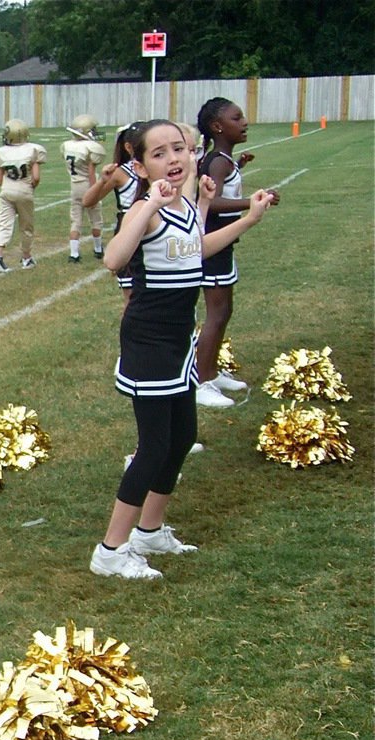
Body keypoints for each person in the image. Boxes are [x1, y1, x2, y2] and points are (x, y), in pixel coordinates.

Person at [90, 120, 274, 581]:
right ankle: (111, 550)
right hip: (148, 340)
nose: (173, 158)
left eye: (180, 149)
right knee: (153, 446)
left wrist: (247, 217)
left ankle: (150, 530)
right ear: (140, 165)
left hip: (177, 341)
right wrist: (150, 201)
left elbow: (196, 251)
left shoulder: (189, 207)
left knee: (182, 435)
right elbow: (113, 260)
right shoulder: (148, 208)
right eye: (159, 153)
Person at [194, 97, 279, 409]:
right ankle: (201, 382)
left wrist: (239, 166)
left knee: (225, 310)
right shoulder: (217, 160)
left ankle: (212, 372)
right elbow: (210, 201)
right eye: (236, 118)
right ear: (218, 126)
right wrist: (254, 202)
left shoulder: (224, 160)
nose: (244, 122)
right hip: (213, 245)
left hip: (224, 245)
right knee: (216, 313)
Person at [83, 122, 143, 297]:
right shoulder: (121, 173)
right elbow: (88, 201)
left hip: (154, 228)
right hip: (129, 228)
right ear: (129, 147)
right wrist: (102, 180)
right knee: (131, 295)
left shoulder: (157, 168)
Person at [0, 119, 46, 272]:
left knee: (4, 224)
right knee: (26, 227)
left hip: (6, 191)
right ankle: (26, 258)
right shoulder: (33, 150)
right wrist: (30, 187)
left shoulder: (0, 153)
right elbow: (37, 177)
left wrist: (9, 185)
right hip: (25, 190)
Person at [61, 114, 107, 263]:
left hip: (75, 185)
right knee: (95, 219)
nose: (95, 132)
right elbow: (91, 172)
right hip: (87, 184)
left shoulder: (67, 146)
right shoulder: (90, 148)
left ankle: (74, 253)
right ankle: (98, 249)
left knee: (76, 221)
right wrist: (96, 189)